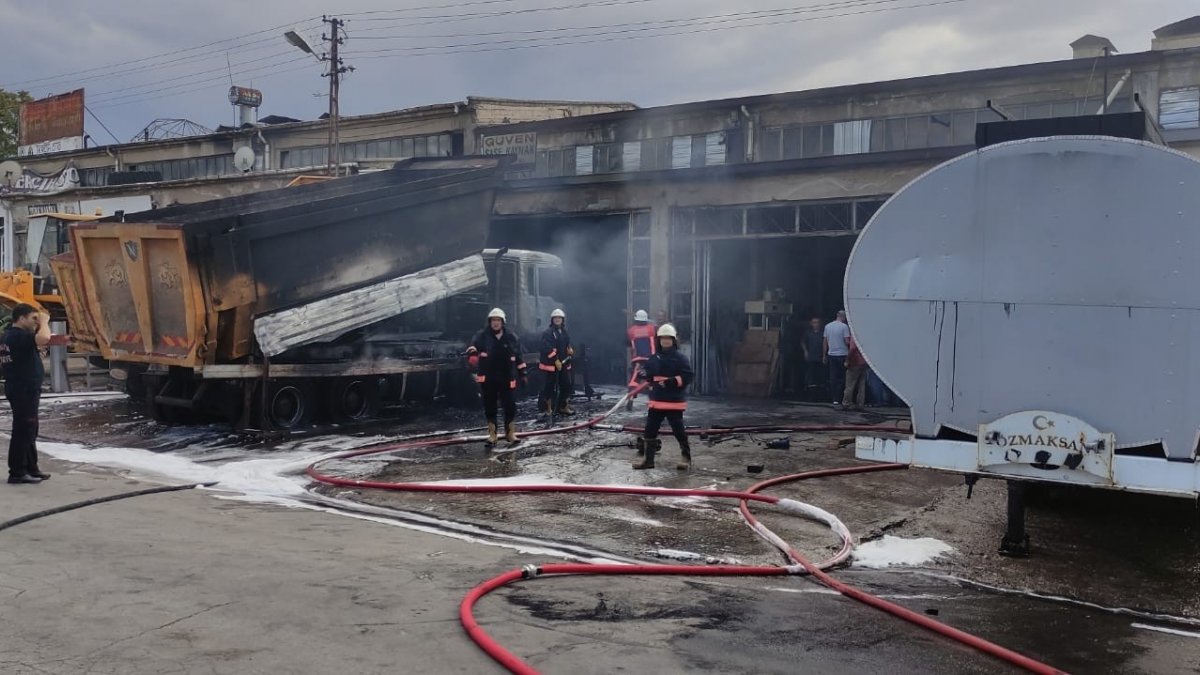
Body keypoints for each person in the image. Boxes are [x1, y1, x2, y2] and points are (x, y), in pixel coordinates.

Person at [633, 323, 694, 471]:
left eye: (668, 339)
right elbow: (648, 370)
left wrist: (672, 382)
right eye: (663, 339)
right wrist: (644, 373)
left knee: (678, 430)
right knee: (650, 430)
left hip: (673, 401)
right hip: (656, 400)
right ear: (658, 340)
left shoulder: (680, 358)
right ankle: (648, 460)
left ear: (673, 340)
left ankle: (686, 458)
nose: (665, 341)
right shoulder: (655, 358)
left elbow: (688, 376)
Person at [2, 304, 51, 485]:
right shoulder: (17, 336)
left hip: (23, 387)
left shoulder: (10, 336)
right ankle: (17, 472)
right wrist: (44, 321)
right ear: (21, 318)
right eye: (33, 318)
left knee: (30, 429)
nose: (35, 322)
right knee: (24, 430)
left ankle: (31, 468)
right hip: (23, 388)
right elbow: (45, 337)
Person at [466, 308, 527, 446]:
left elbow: (519, 357)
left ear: (503, 322)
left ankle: (510, 433)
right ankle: (492, 435)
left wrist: (523, 374)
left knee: (510, 406)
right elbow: (472, 348)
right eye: (493, 320)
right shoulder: (482, 336)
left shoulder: (511, 337)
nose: (495, 323)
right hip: (489, 378)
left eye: (498, 320)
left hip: (507, 378)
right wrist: (473, 356)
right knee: (490, 406)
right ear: (489, 322)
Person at [538, 308, 574, 417]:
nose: (558, 320)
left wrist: (570, 350)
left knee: (566, 385)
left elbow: (566, 344)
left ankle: (563, 406)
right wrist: (555, 360)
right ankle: (546, 409)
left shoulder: (564, 332)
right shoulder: (548, 333)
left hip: (562, 364)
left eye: (559, 318)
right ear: (552, 320)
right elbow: (546, 348)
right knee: (548, 387)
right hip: (550, 366)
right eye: (556, 318)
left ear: (563, 320)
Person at [626, 309, 657, 410]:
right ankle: (653, 401)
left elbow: (629, 345)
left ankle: (631, 398)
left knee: (634, 380)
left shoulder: (631, 330)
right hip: (651, 359)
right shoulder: (652, 328)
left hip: (637, 360)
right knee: (652, 380)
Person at [823, 310, 850, 405]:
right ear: (843, 317)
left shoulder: (828, 326)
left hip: (831, 354)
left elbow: (825, 342)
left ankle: (834, 398)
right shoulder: (844, 327)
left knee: (833, 377)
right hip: (843, 354)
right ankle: (842, 398)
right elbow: (847, 341)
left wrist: (824, 355)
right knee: (842, 378)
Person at [800, 317, 826, 401]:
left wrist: (824, 355)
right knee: (811, 376)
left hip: (820, 357)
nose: (816, 324)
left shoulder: (823, 333)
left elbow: (826, 344)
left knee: (821, 376)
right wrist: (805, 351)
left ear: (820, 323)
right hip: (811, 357)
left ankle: (821, 395)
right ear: (811, 324)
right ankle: (811, 396)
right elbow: (802, 342)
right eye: (814, 322)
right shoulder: (808, 333)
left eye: (817, 322)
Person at [843, 333, 868, 410]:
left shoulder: (855, 335)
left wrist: (847, 360)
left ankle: (847, 403)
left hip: (855, 362)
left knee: (850, 384)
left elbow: (853, 348)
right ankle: (860, 403)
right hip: (864, 362)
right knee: (861, 385)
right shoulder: (865, 336)